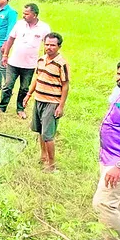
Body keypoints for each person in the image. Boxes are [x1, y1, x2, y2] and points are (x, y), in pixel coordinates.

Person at [0, 3, 51, 119]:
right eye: (23, 13)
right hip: (13, 63)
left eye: (26, 14)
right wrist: (5, 55)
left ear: (35, 15)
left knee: (24, 88)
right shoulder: (19, 24)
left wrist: (44, 61)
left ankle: (20, 108)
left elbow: (47, 45)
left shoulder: (44, 27)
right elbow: (11, 39)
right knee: (8, 86)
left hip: (30, 65)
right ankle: (1, 107)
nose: (24, 16)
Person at [22, 32, 69, 172]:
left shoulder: (62, 64)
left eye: (52, 45)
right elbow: (37, 78)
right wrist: (29, 94)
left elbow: (65, 85)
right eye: (47, 44)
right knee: (40, 131)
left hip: (51, 102)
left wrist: (61, 106)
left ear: (59, 46)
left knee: (48, 135)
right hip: (39, 100)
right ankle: (43, 156)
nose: (49, 47)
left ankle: (51, 164)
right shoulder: (41, 60)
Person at [92, 60, 120, 240]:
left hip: (118, 162)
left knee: (103, 203)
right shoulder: (119, 91)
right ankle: (108, 238)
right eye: (119, 73)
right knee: (118, 204)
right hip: (109, 155)